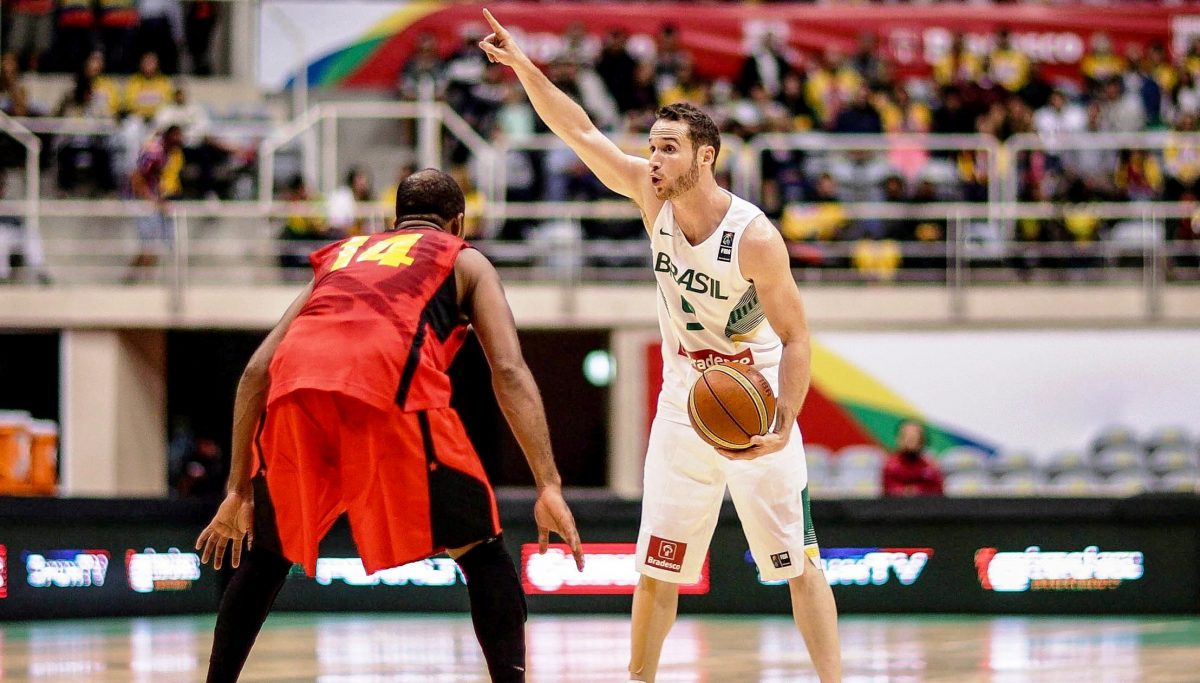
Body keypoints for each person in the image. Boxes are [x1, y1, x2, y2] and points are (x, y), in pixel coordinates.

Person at [478, 11, 841, 683]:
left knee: (800, 562)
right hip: (684, 399)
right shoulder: (652, 198)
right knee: (657, 568)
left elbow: (796, 337)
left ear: (706, 156)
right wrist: (524, 66)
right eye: (652, 146)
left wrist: (783, 420)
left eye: (668, 147)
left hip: (757, 395)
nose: (653, 158)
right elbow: (580, 131)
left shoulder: (755, 237)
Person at [195, 168, 584, 683]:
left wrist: (238, 489)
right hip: (388, 384)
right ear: (458, 222)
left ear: (391, 220)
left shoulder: (343, 255)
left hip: (295, 390)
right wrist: (548, 483)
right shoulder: (463, 257)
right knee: (483, 552)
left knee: (268, 553)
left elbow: (255, 371)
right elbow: (508, 370)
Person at [882, 421, 945, 497]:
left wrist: (917, 490)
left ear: (923, 441)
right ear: (899, 440)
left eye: (916, 436)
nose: (912, 440)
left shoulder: (931, 465)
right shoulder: (890, 466)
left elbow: (937, 489)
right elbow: (889, 489)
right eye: (907, 436)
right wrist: (905, 491)